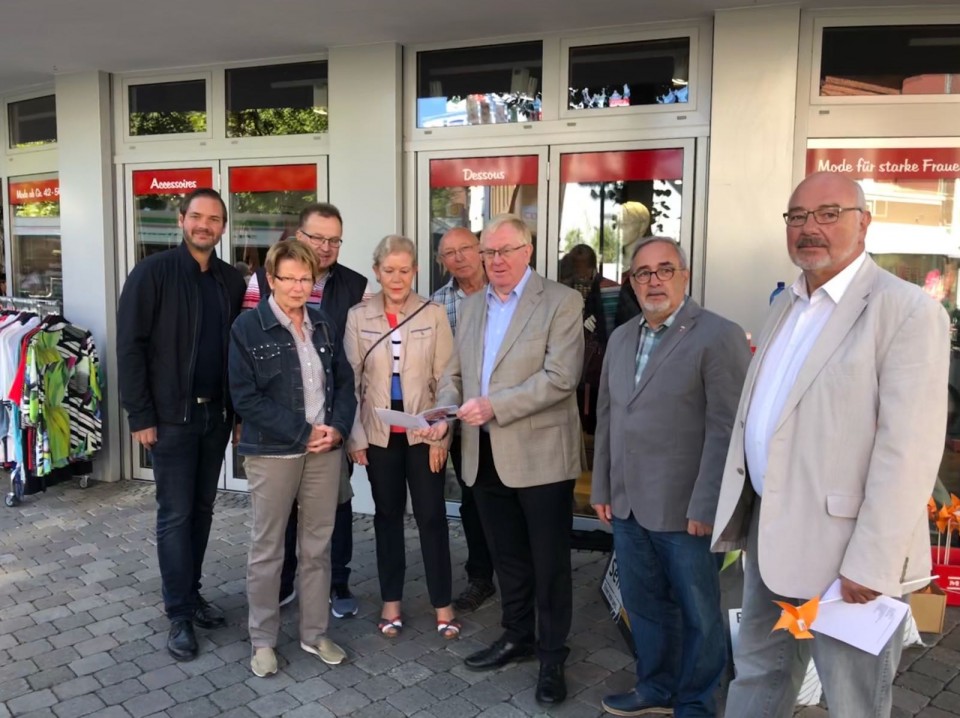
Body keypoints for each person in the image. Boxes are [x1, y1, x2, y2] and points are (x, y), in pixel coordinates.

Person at [712, 172, 950, 717]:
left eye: (828, 213)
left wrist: (872, 561)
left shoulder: (907, 312)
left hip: (849, 562)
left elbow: (908, 451)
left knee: (853, 700)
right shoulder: (787, 305)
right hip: (772, 540)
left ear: (863, 223)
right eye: (797, 216)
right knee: (759, 677)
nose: (809, 228)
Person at [424, 213, 584, 706]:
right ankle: (518, 636)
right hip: (482, 453)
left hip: (539, 456)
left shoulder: (561, 301)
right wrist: (444, 407)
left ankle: (553, 655)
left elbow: (561, 377)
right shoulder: (471, 306)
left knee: (549, 561)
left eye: (505, 251)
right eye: (488, 252)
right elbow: (454, 373)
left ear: (528, 251)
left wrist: (495, 405)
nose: (496, 261)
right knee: (508, 558)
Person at [591, 237, 750, 717]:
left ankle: (697, 702)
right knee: (644, 606)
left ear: (685, 275)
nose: (653, 280)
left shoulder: (718, 335)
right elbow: (607, 419)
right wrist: (602, 486)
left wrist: (709, 505)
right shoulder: (620, 339)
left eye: (664, 270)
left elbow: (728, 430)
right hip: (628, 504)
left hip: (686, 509)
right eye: (642, 273)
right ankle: (654, 688)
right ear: (632, 283)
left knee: (699, 613)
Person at [117, 188, 246, 662]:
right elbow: (130, 347)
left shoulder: (232, 281)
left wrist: (235, 415)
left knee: (203, 510)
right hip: (170, 420)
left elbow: (238, 353)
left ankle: (191, 595)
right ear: (181, 219)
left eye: (213, 219)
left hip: (214, 417)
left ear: (223, 227)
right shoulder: (152, 274)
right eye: (197, 216)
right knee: (174, 515)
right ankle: (178, 615)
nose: (204, 225)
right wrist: (141, 415)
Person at [229, 240, 356, 677]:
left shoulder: (322, 324)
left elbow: (343, 384)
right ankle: (263, 640)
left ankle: (314, 632)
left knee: (317, 547)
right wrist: (304, 432)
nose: (300, 286)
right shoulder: (248, 328)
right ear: (270, 279)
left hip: (324, 452)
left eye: (307, 278)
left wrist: (337, 428)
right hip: (274, 453)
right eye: (291, 278)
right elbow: (245, 397)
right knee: (268, 549)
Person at [243, 202, 370, 618]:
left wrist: (341, 426)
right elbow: (246, 358)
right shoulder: (260, 284)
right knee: (282, 517)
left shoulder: (355, 285)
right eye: (318, 237)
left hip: (330, 426)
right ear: (299, 237)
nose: (326, 246)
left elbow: (353, 363)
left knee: (336, 507)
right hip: (278, 430)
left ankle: (337, 584)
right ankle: (284, 583)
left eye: (334, 239)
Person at [344, 235, 459, 639]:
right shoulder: (358, 316)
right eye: (388, 270)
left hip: (423, 434)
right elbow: (350, 383)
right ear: (377, 271)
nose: (396, 278)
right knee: (387, 517)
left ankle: (442, 603)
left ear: (415, 271)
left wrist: (442, 434)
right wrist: (354, 437)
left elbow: (448, 379)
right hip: (378, 436)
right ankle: (391, 601)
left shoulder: (434, 313)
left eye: (404, 270)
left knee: (432, 517)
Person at [430, 226, 496, 613]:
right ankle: (480, 576)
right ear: (442, 262)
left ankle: (520, 571)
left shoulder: (508, 291)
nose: (458, 258)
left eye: (465, 249)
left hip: (510, 413)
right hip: (465, 418)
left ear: (481, 250)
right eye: (449, 253)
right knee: (473, 497)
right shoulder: (439, 305)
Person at [558, 243, 619, 435]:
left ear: (593, 266)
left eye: (584, 269)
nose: (581, 276)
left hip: (597, 362)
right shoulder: (560, 289)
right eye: (576, 269)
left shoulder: (610, 289)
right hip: (566, 357)